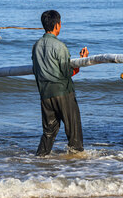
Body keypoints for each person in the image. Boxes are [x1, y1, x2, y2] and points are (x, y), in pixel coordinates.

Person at [32, 10, 89, 156]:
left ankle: (38, 160)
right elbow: (67, 73)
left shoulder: (36, 46)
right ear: (57, 25)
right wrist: (80, 62)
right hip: (63, 93)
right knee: (73, 131)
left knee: (48, 132)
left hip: (45, 94)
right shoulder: (60, 46)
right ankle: (77, 163)